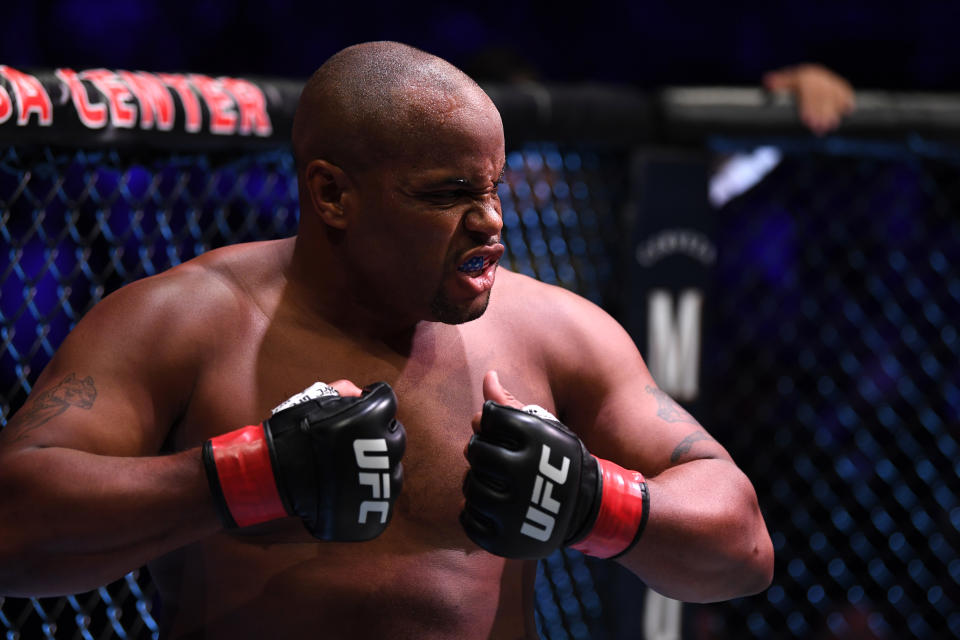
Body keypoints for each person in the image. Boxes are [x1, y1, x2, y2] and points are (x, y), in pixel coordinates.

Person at [0, 41, 773, 639]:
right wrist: (245, 477)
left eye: (493, 186)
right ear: (333, 194)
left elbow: (742, 550)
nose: (491, 221)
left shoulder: (554, 332)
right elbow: (13, 529)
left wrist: (596, 502)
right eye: (447, 194)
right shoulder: (184, 323)